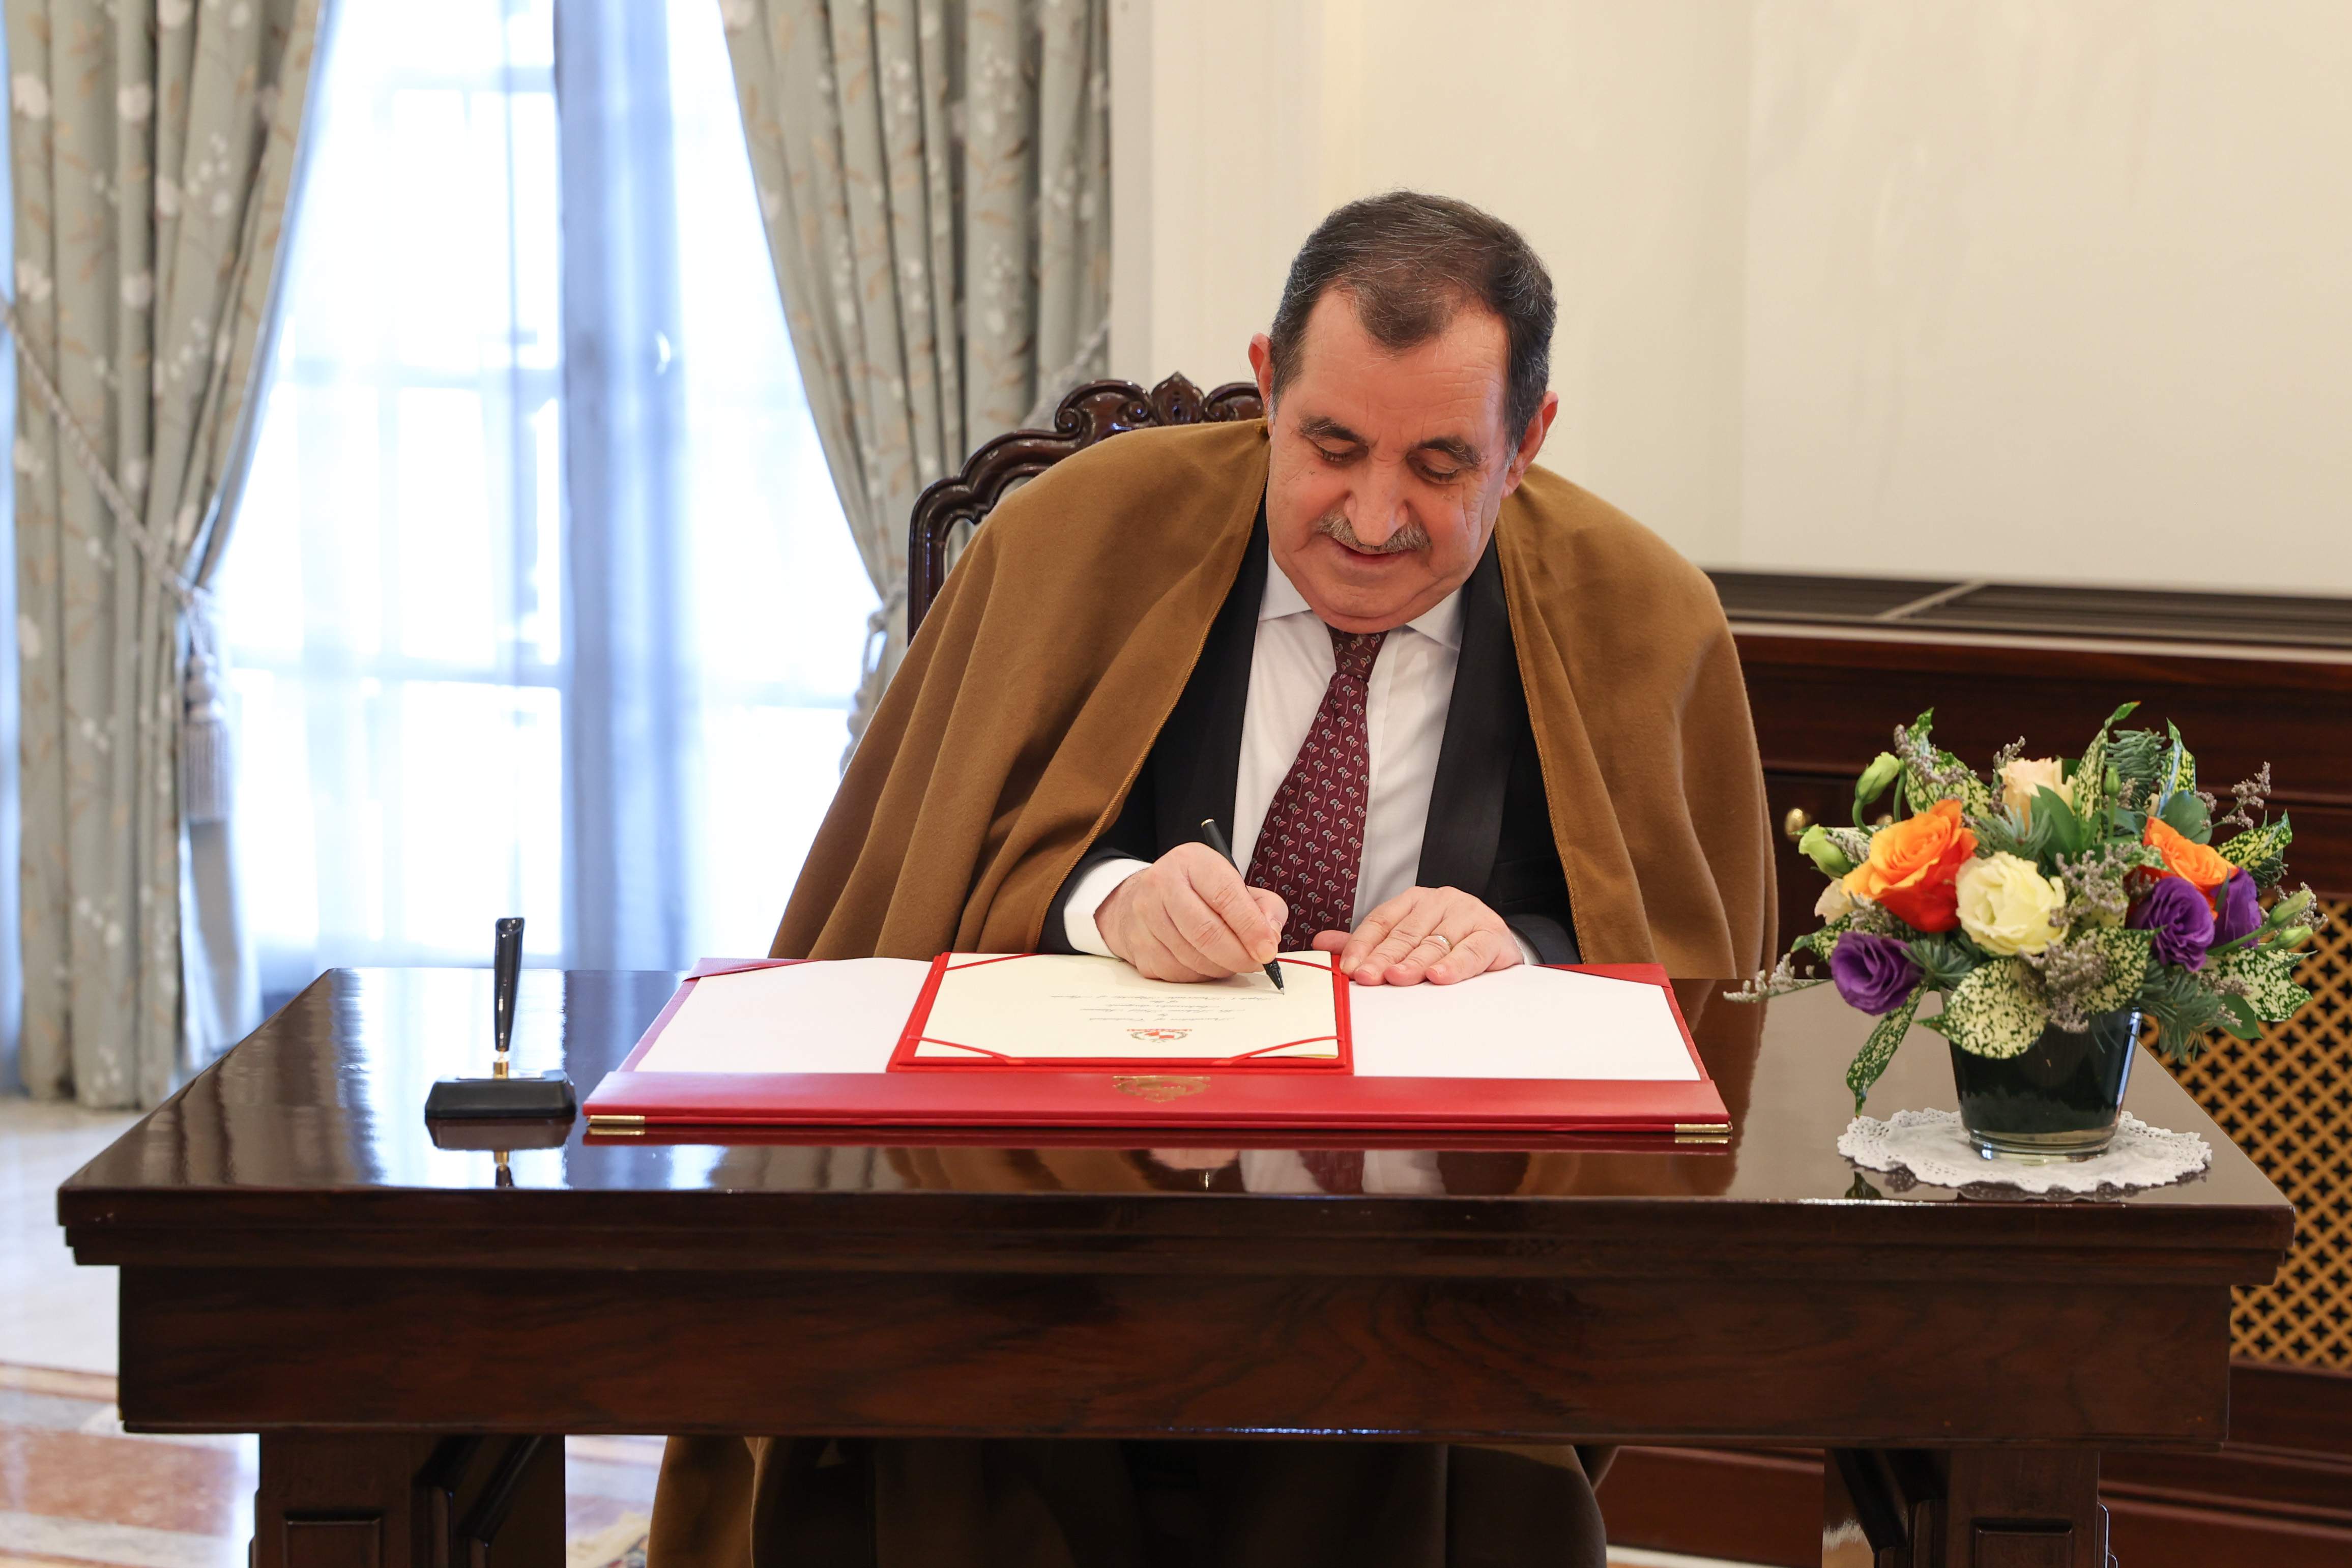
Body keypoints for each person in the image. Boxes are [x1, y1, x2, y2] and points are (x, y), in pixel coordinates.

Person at [650, 191, 1773, 1568]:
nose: (1371, 516)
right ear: (1265, 387)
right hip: (1059, 1204)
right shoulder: (1085, 537)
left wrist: (1520, 940)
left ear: (1526, 443)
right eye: (1331, 445)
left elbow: (1680, 981)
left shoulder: (1639, 617)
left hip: (1409, 1263)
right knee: (963, 1407)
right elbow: (919, 885)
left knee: (1382, 1424)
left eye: (1437, 464)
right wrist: (1103, 896)